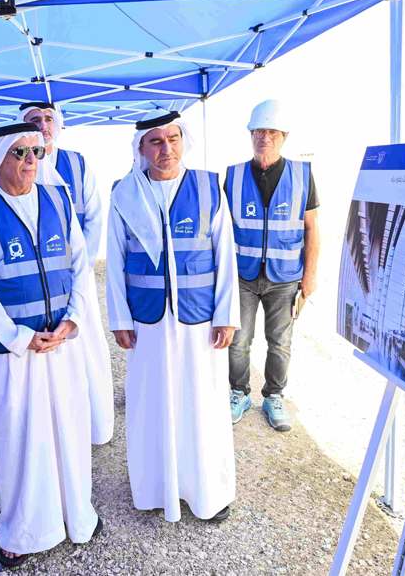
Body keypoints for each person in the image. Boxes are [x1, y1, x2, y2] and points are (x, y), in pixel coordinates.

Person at [0, 122, 101, 567]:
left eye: (35, 152)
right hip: (14, 352)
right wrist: (20, 337)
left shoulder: (59, 199)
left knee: (69, 430)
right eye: (19, 153)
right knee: (17, 437)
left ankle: (77, 515)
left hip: (60, 344)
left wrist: (73, 321)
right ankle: (21, 529)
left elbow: (80, 265)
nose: (29, 162)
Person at [106, 110, 239, 523]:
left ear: (185, 141)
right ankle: (154, 490)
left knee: (203, 405)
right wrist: (120, 318)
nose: (167, 149)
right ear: (141, 149)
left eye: (173, 139)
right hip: (147, 322)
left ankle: (206, 493)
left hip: (200, 321)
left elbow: (225, 254)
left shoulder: (207, 186)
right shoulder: (124, 193)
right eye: (156, 142)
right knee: (150, 405)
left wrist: (227, 314)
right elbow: (114, 258)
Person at [19, 101, 114, 445]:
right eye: (34, 120)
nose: (42, 125)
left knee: (86, 346)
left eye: (47, 119)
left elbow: (94, 215)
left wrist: (81, 268)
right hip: (41, 282)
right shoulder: (19, 162)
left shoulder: (76, 162)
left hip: (78, 273)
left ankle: (95, 424)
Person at [224, 99, 320, 432]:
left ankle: (273, 396)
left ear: (284, 137)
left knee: (280, 343)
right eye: (259, 131)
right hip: (244, 275)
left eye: (272, 132)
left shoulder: (302, 175)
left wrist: (309, 278)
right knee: (238, 340)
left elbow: (312, 229)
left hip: (285, 279)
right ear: (251, 134)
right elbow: (221, 230)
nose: (265, 137)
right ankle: (238, 392)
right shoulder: (233, 176)